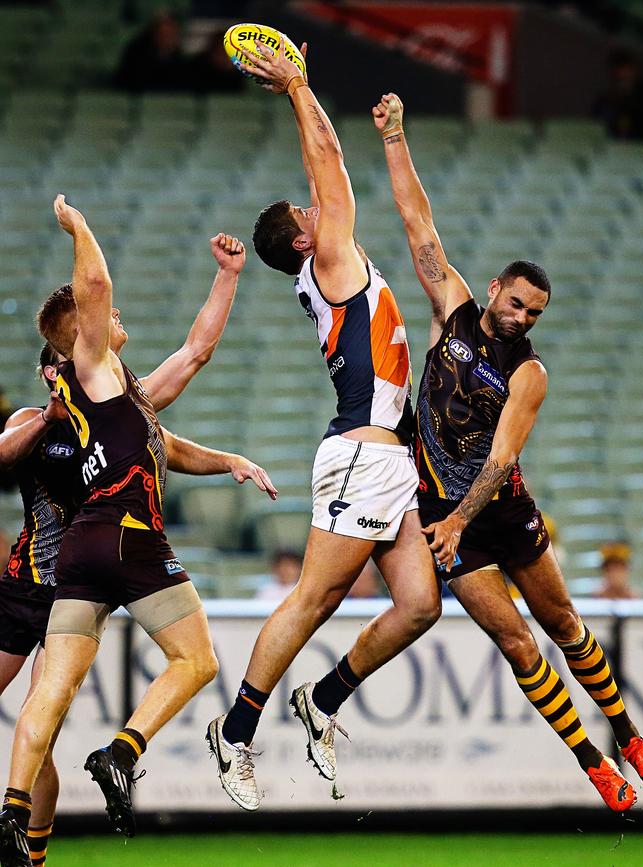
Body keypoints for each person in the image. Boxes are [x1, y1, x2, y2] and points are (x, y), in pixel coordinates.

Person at [373, 91, 643, 812]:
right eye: (517, 301)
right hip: (444, 521)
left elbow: (499, 461)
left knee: (563, 625)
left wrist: (460, 520)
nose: (521, 315)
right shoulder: (454, 309)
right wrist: (396, 136)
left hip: (496, 513)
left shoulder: (530, 372)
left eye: (533, 312)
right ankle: (595, 765)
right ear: (495, 287)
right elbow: (415, 222)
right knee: (520, 646)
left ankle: (628, 732)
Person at [0, 198, 277, 866]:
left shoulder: (123, 394)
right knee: (199, 659)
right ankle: (123, 750)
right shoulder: (88, 371)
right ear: (80, 336)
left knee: (50, 690)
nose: (116, 319)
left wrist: (227, 277)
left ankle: (11, 817)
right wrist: (80, 226)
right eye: (105, 320)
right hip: (123, 533)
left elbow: (195, 357)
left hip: (77, 558)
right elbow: (95, 288)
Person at [205, 41, 440, 813]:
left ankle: (324, 698)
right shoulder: (332, 260)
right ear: (304, 240)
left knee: (418, 603)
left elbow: (322, 171)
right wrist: (299, 89)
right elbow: (330, 162)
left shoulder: (324, 263)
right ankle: (235, 732)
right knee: (311, 600)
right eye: (309, 214)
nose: (319, 206)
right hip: (358, 457)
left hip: (389, 461)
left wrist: (300, 97)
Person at [114, 11, 187, 93]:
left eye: (171, 34)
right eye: (162, 34)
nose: (167, 39)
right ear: (154, 34)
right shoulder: (137, 58)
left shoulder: (179, 61)